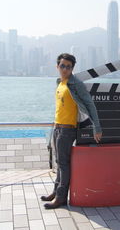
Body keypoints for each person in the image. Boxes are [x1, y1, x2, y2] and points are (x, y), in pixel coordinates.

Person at [41, 53, 102, 209]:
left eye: (69, 67)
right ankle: (56, 191)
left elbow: (90, 105)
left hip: (68, 129)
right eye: (62, 66)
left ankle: (61, 197)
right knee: (59, 162)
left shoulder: (76, 84)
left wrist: (97, 127)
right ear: (57, 66)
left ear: (72, 68)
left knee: (64, 164)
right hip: (57, 127)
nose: (65, 69)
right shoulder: (59, 83)